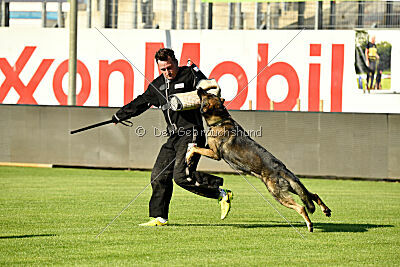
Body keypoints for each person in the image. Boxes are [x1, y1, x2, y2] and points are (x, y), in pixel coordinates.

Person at [112, 48, 233, 226]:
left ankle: (220, 192)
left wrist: (201, 81)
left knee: (181, 177)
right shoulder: (157, 86)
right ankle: (159, 217)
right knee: (158, 175)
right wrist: (120, 115)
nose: (167, 72)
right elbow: (141, 102)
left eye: (170, 67)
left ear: (176, 62)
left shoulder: (189, 74)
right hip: (173, 137)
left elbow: (208, 89)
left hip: (192, 133)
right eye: (163, 69)